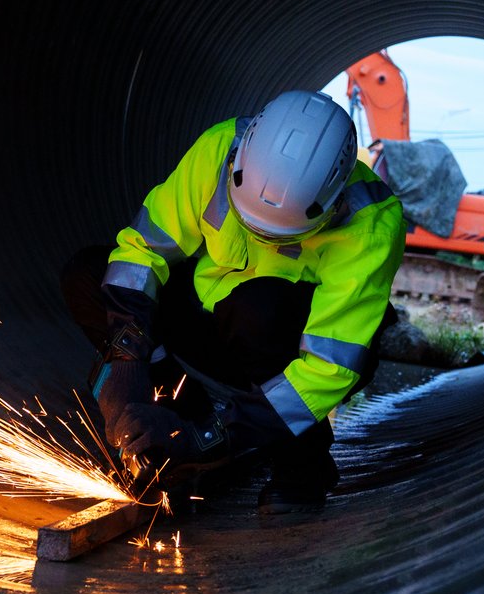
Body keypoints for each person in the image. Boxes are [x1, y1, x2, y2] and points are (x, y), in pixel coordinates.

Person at [62, 90, 406, 514]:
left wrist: (205, 437)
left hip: (273, 349)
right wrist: (128, 355)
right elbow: (141, 251)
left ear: (331, 202)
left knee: (258, 311)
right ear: (239, 160)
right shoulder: (221, 147)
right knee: (88, 274)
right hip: (204, 323)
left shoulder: (371, 224)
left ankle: (301, 462)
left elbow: (326, 369)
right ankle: (169, 420)